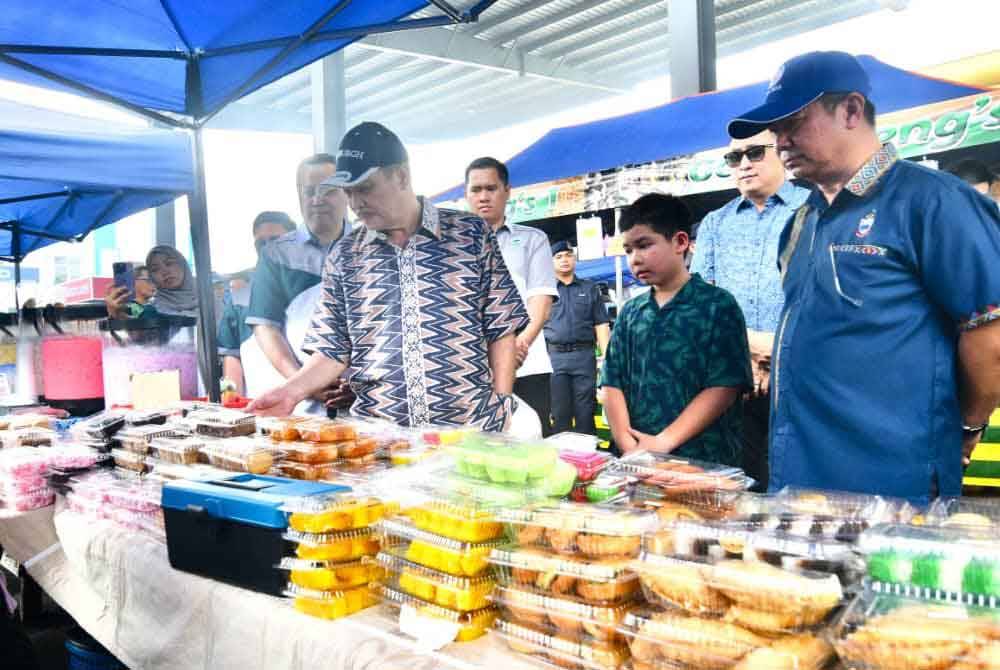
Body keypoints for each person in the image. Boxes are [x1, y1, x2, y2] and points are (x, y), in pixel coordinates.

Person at [728, 50, 1000, 502]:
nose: (780, 141)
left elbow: (990, 337)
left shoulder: (934, 203)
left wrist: (967, 428)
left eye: (794, 122)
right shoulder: (802, 222)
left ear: (851, 110)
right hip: (801, 482)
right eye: (775, 130)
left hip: (893, 483)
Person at [251, 122, 535, 434]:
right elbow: (332, 350)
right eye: (348, 192)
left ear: (401, 176)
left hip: (470, 432)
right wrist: (290, 391)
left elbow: (500, 329)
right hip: (382, 439)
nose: (356, 202)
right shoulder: (345, 255)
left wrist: (502, 405)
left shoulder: (470, 235)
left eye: (365, 188)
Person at [690, 130, 811, 488]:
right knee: (743, 484)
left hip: (801, 372)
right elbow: (700, 301)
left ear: (782, 152)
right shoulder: (716, 223)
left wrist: (777, 351)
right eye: (734, 157)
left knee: (800, 487)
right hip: (736, 380)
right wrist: (750, 348)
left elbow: (823, 296)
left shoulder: (815, 209)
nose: (743, 164)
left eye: (755, 153)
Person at [602, 194, 752, 466]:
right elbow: (612, 382)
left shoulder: (717, 306)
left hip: (702, 458)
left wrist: (663, 442)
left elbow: (725, 386)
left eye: (644, 245)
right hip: (636, 458)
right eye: (628, 250)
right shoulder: (631, 312)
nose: (635, 259)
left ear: (680, 242)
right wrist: (629, 445)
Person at [245, 154, 352, 412]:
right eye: (309, 191)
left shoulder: (371, 246)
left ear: (347, 192)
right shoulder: (276, 255)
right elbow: (266, 328)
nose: (317, 199)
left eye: (328, 190)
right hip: (303, 405)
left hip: (366, 401)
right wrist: (303, 384)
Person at [465, 157, 558, 435]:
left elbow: (540, 303)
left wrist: (518, 345)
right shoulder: (452, 249)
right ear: (466, 195)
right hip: (471, 369)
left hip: (527, 363)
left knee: (529, 443)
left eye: (491, 188)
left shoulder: (533, 240)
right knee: (478, 448)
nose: (483, 196)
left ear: (507, 191)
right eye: (476, 189)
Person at [217, 211, 296, 396]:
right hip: (262, 407)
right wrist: (231, 402)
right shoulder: (238, 298)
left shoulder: (313, 288)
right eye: (261, 242)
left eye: (276, 240)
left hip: (312, 407)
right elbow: (231, 357)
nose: (268, 247)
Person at [545, 241, 610, 436]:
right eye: (558, 257)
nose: (564, 260)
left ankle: (588, 461)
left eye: (568, 255)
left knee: (585, 412)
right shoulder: (545, 290)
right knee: (559, 413)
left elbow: (601, 324)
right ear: (551, 261)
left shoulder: (590, 288)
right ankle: (562, 461)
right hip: (554, 359)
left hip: (584, 357)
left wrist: (608, 359)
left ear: (574, 258)